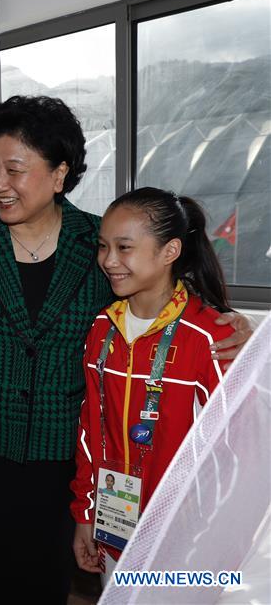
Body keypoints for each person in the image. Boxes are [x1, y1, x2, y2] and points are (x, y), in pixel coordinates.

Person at [0, 96, 253, 603]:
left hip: (68, 459)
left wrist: (235, 322)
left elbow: (163, 296)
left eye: (14, 169)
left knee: (45, 583)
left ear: (59, 174)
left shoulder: (100, 243)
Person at [71, 187, 234, 581]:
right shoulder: (101, 330)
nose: (109, 261)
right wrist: (85, 514)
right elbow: (91, 431)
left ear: (169, 252)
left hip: (185, 538)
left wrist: (212, 535)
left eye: (124, 247)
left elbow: (230, 451)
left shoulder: (209, 337)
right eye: (103, 246)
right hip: (115, 526)